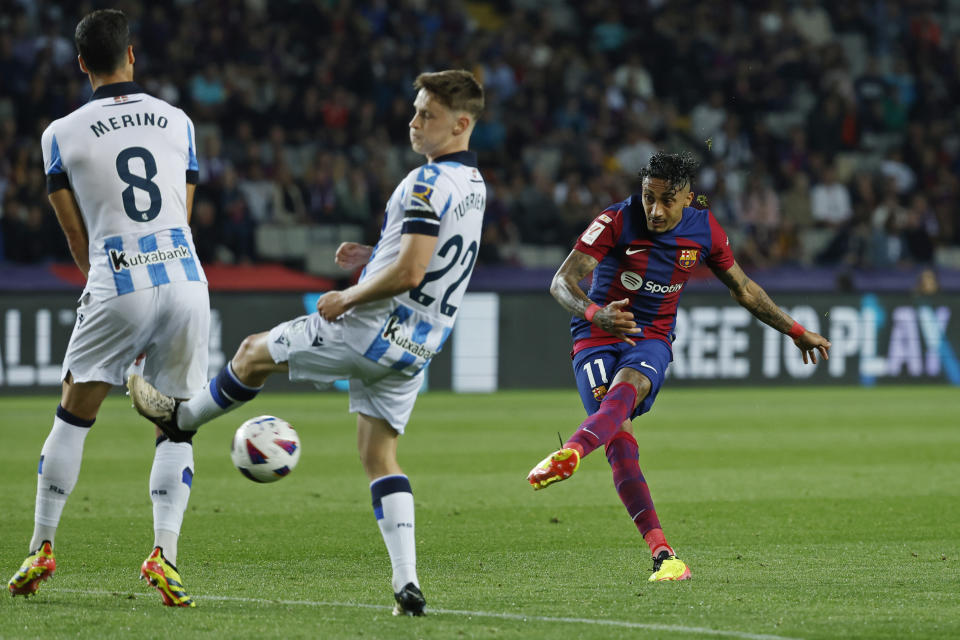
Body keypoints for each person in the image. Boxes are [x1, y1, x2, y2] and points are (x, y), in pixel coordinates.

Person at [127, 70, 486, 615]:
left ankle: (182, 418)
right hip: (415, 348)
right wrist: (374, 252)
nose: (413, 122)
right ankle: (407, 585)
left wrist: (350, 295)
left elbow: (411, 271)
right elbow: (429, 258)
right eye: (415, 110)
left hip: (367, 326)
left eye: (427, 115)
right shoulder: (474, 186)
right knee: (378, 455)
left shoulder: (427, 183)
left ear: (460, 124)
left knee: (251, 354)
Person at [527, 151, 831, 582]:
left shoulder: (704, 230)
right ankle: (664, 556)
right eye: (649, 197)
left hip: (651, 336)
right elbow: (562, 280)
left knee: (624, 392)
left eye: (667, 200)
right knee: (617, 437)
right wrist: (596, 313)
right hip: (596, 335)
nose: (655, 209)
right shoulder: (615, 220)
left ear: (689, 198)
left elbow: (743, 289)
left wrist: (796, 330)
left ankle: (573, 450)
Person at [7, 9, 207, 608]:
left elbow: (76, 236)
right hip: (186, 276)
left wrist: (109, 291)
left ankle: (42, 546)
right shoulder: (178, 121)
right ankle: (164, 555)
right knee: (175, 424)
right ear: (131, 55)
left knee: (74, 414)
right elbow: (184, 207)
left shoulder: (60, 134)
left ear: (80, 64)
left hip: (118, 275)